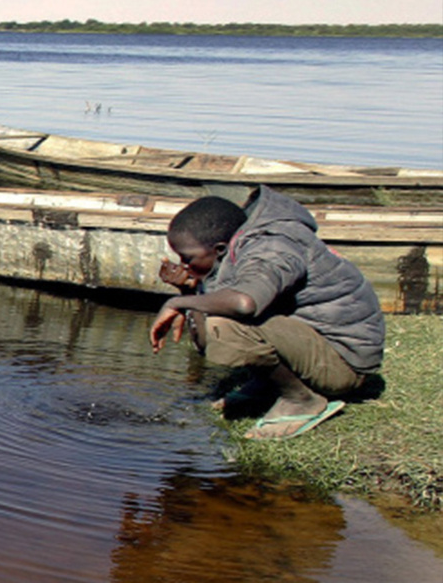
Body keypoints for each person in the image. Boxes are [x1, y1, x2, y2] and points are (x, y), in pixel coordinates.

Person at [149, 188, 383, 440]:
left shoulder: (272, 248)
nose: (183, 265)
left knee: (225, 324)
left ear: (218, 248)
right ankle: (270, 385)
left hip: (345, 364)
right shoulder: (238, 246)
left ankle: (302, 400)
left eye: (188, 259)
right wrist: (189, 290)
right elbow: (204, 335)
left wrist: (175, 302)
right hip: (314, 344)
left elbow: (244, 303)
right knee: (215, 317)